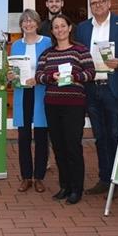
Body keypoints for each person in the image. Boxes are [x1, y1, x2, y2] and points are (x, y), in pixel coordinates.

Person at [75, 0, 118, 199]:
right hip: (92, 88)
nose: (98, 5)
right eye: (93, 3)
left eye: (102, 1)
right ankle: (105, 179)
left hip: (113, 88)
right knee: (100, 136)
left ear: (109, 3)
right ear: (90, 6)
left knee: (114, 135)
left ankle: (116, 181)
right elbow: (79, 56)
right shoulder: (83, 28)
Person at [35, 14, 96, 204]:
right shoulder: (47, 54)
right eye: (56, 27)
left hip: (74, 106)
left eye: (63, 26)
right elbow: (38, 76)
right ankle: (65, 186)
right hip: (52, 104)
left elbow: (91, 73)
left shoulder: (80, 50)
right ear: (52, 31)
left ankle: (76, 188)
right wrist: (51, 77)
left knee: (73, 146)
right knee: (59, 147)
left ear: (69, 28)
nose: (59, 29)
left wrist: (74, 78)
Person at [7, 9, 53, 192]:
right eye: (24, 21)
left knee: (41, 136)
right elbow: (11, 69)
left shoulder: (48, 42)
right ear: (21, 25)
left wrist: (39, 78)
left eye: (31, 20)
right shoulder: (16, 45)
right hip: (23, 93)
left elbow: (52, 68)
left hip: (41, 92)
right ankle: (26, 176)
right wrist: (10, 75)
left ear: (38, 23)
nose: (28, 24)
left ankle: (39, 177)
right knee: (24, 136)